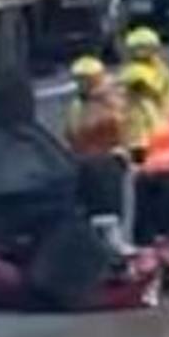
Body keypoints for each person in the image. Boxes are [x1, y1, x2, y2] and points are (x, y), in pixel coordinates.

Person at [121, 61, 169, 247]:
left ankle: (154, 262)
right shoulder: (162, 105)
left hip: (149, 171)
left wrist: (135, 162)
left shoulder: (137, 110)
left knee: (147, 224)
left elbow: (138, 141)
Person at [64, 55, 129, 250]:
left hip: (107, 160)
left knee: (107, 207)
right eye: (78, 79)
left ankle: (113, 245)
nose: (81, 84)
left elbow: (125, 127)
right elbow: (72, 132)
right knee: (88, 208)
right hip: (83, 160)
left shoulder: (111, 100)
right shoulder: (78, 103)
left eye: (86, 79)